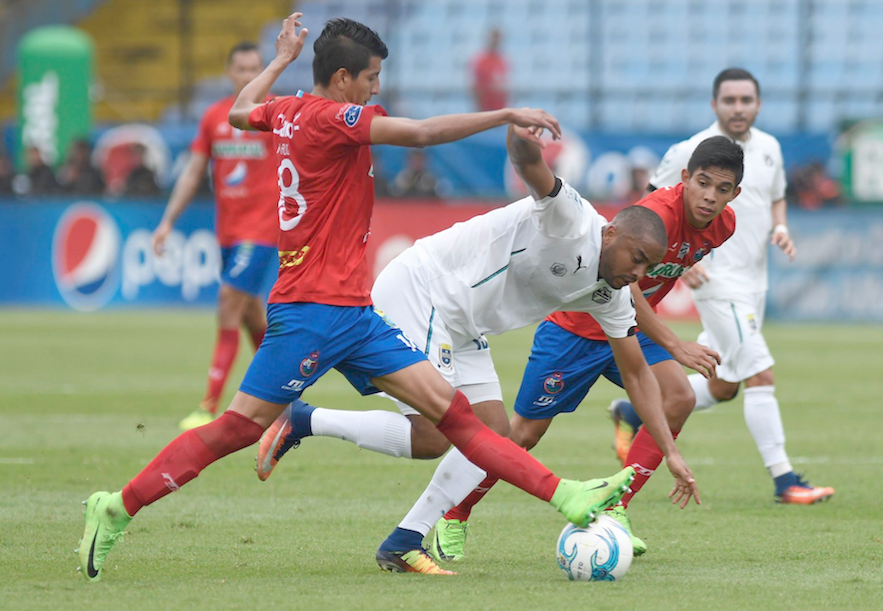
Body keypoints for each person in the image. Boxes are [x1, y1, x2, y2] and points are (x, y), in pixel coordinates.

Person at [77, 14, 640, 582]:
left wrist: (280, 61)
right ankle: (117, 506)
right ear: (343, 78)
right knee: (238, 428)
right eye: (371, 78)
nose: (376, 89)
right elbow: (420, 134)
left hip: (356, 314)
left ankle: (565, 495)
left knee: (457, 419)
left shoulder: (286, 110)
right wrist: (504, 114)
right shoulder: (332, 118)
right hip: (311, 312)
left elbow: (241, 111)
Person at [262, 136, 739, 568]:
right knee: (434, 435)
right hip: (424, 290)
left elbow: (636, 374)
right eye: (637, 259)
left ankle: (404, 540)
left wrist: (671, 453)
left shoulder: (613, 294)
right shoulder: (574, 219)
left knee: (493, 436)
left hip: (465, 321)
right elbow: (531, 166)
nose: (639, 275)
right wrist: (517, 128)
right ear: (610, 234)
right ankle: (304, 420)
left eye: (649, 267)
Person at [414, 135, 742, 563]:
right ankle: (456, 512)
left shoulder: (724, 226)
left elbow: (646, 287)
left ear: (735, 194)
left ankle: (615, 508)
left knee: (678, 396)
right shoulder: (657, 214)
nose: (710, 196)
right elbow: (625, 288)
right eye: (703, 183)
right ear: (685, 178)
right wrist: (674, 342)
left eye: (722, 189)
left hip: (629, 330)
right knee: (522, 435)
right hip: (577, 327)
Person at [613, 68, 834, 505]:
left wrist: (781, 226)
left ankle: (634, 412)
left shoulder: (769, 148)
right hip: (716, 281)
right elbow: (647, 209)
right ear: (714, 104)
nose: (738, 108)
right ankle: (785, 480)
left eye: (745, 100)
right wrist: (677, 260)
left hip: (755, 281)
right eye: (729, 100)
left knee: (723, 383)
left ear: (758, 105)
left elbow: (776, 197)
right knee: (759, 373)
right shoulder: (690, 150)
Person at [152, 41, 280, 431]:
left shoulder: (276, 114)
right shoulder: (213, 117)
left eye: (255, 69)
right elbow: (193, 172)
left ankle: (208, 407)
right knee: (250, 314)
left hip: (262, 231)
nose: (248, 76)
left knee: (227, 302)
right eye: (242, 69)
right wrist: (167, 221)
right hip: (227, 233)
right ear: (229, 73)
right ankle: (285, 399)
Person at [471, 28, 509, 111]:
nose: (496, 42)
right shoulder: (482, 61)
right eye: (494, 39)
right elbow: (476, 88)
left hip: (500, 108)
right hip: (486, 109)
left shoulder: (502, 60)